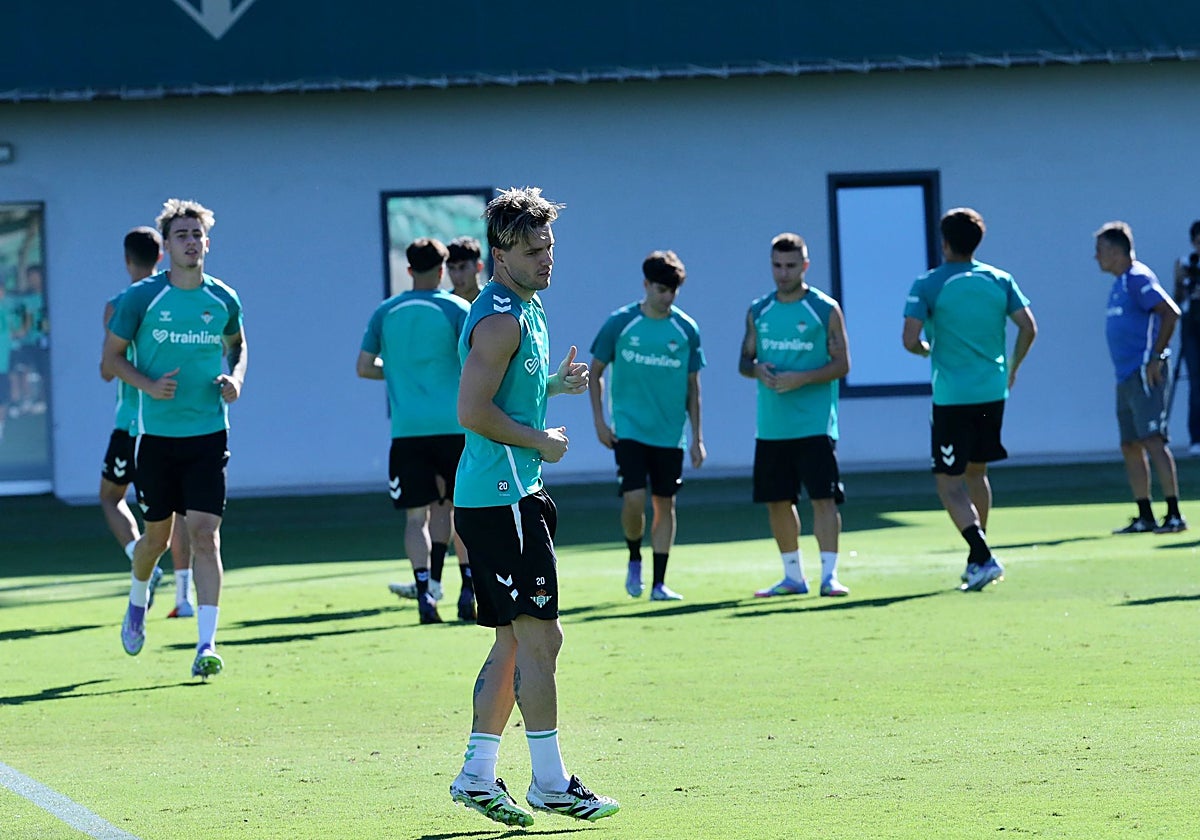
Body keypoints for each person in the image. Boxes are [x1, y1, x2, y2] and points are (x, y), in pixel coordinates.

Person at [448, 187, 619, 827]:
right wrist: (541, 440)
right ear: (500, 252)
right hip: (501, 499)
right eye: (532, 250)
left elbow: (510, 387)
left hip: (514, 494)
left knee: (516, 645)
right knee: (542, 639)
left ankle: (475, 775)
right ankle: (549, 782)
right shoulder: (499, 318)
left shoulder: (529, 305)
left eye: (549, 247)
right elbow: (472, 411)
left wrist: (553, 386)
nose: (547, 259)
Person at [102, 199, 247, 680]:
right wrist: (146, 385)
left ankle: (206, 643)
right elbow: (112, 359)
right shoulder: (140, 299)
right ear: (166, 246)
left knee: (205, 536)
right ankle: (137, 598)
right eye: (181, 235)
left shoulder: (223, 298)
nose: (190, 242)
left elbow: (238, 345)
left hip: (209, 434)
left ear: (207, 242)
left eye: (196, 234)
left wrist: (236, 378)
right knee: (156, 540)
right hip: (157, 439)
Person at [903, 208, 1038, 591]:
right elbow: (1029, 327)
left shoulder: (929, 283)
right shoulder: (999, 279)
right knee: (977, 473)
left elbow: (910, 340)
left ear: (944, 242)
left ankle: (982, 553)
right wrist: (1012, 367)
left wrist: (927, 349)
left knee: (948, 482)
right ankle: (977, 557)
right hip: (993, 391)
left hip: (952, 396)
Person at [357, 237, 475, 625]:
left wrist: (397, 375)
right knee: (465, 512)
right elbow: (478, 362)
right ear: (442, 271)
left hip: (408, 431)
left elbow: (364, 367)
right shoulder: (458, 308)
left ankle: (425, 593)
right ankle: (468, 589)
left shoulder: (386, 312)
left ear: (408, 271)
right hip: (457, 428)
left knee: (416, 519)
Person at [588, 249, 706, 601]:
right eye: (660, 289)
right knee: (635, 500)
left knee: (665, 504)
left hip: (670, 433)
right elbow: (595, 373)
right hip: (629, 429)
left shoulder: (686, 329)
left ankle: (659, 583)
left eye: (672, 290)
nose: (667, 296)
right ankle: (634, 557)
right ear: (646, 285)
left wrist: (697, 437)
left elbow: (693, 387)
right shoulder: (620, 323)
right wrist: (599, 421)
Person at [739, 232, 851, 599]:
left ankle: (830, 576)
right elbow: (744, 361)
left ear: (804, 266)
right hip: (772, 427)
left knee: (823, 499)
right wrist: (759, 371)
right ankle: (792, 577)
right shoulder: (759, 310)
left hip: (815, 424)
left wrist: (800, 378)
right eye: (777, 265)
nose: (783, 273)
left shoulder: (825, 309)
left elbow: (842, 364)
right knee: (777, 501)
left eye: (790, 266)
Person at [99, 226, 194, 618]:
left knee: (110, 497)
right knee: (184, 511)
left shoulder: (119, 304)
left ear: (126, 259)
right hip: (176, 423)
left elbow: (109, 367)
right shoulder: (180, 296)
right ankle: (184, 599)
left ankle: (139, 557)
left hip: (132, 422)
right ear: (161, 255)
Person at [1095, 220, 1187, 534]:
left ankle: (1174, 514)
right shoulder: (1119, 283)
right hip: (1125, 376)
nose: (1097, 258)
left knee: (1153, 440)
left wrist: (1156, 357)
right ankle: (1145, 514)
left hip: (1142, 373)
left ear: (1115, 251)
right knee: (1130, 445)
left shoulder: (1138, 278)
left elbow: (1170, 312)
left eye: (1100, 250)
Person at [1171, 220, 1200, 456]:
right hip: (1192, 326)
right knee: (1196, 383)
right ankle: (1196, 438)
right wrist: (1183, 280)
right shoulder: (1185, 263)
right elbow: (1177, 299)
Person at [447, 236, 485, 303]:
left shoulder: (493, 302)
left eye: (462, 267)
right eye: (451, 268)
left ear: (479, 266)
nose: (457, 275)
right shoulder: (443, 304)